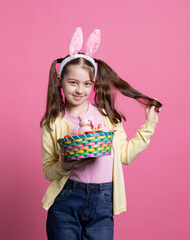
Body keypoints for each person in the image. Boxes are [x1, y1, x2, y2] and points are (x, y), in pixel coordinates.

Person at [40, 27, 162, 240]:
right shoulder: (53, 123)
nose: (80, 90)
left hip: (103, 199)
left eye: (86, 84)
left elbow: (124, 156)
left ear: (93, 84)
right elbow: (48, 170)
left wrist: (148, 126)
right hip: (66, 198)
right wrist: (64, 166)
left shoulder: (107, 117)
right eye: (73, 83)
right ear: (60, 81)